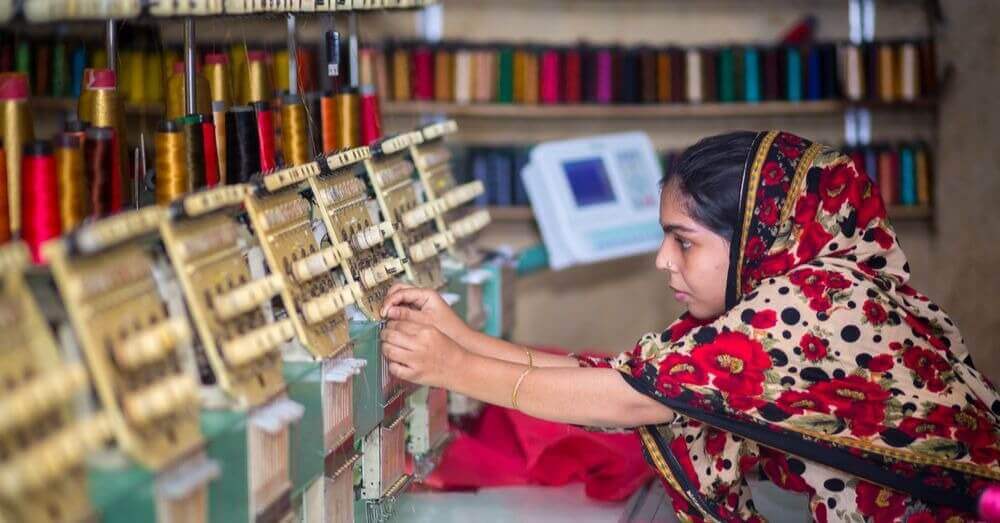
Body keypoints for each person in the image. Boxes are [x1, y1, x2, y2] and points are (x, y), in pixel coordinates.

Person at [378, 130, 1000, 522]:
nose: (662, 261)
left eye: (684, 241)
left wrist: (450, 367)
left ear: (756, 236)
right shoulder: (807, 291)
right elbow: (628, 376)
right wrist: (457, 336)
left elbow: (627, 400)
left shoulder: (813, 309)